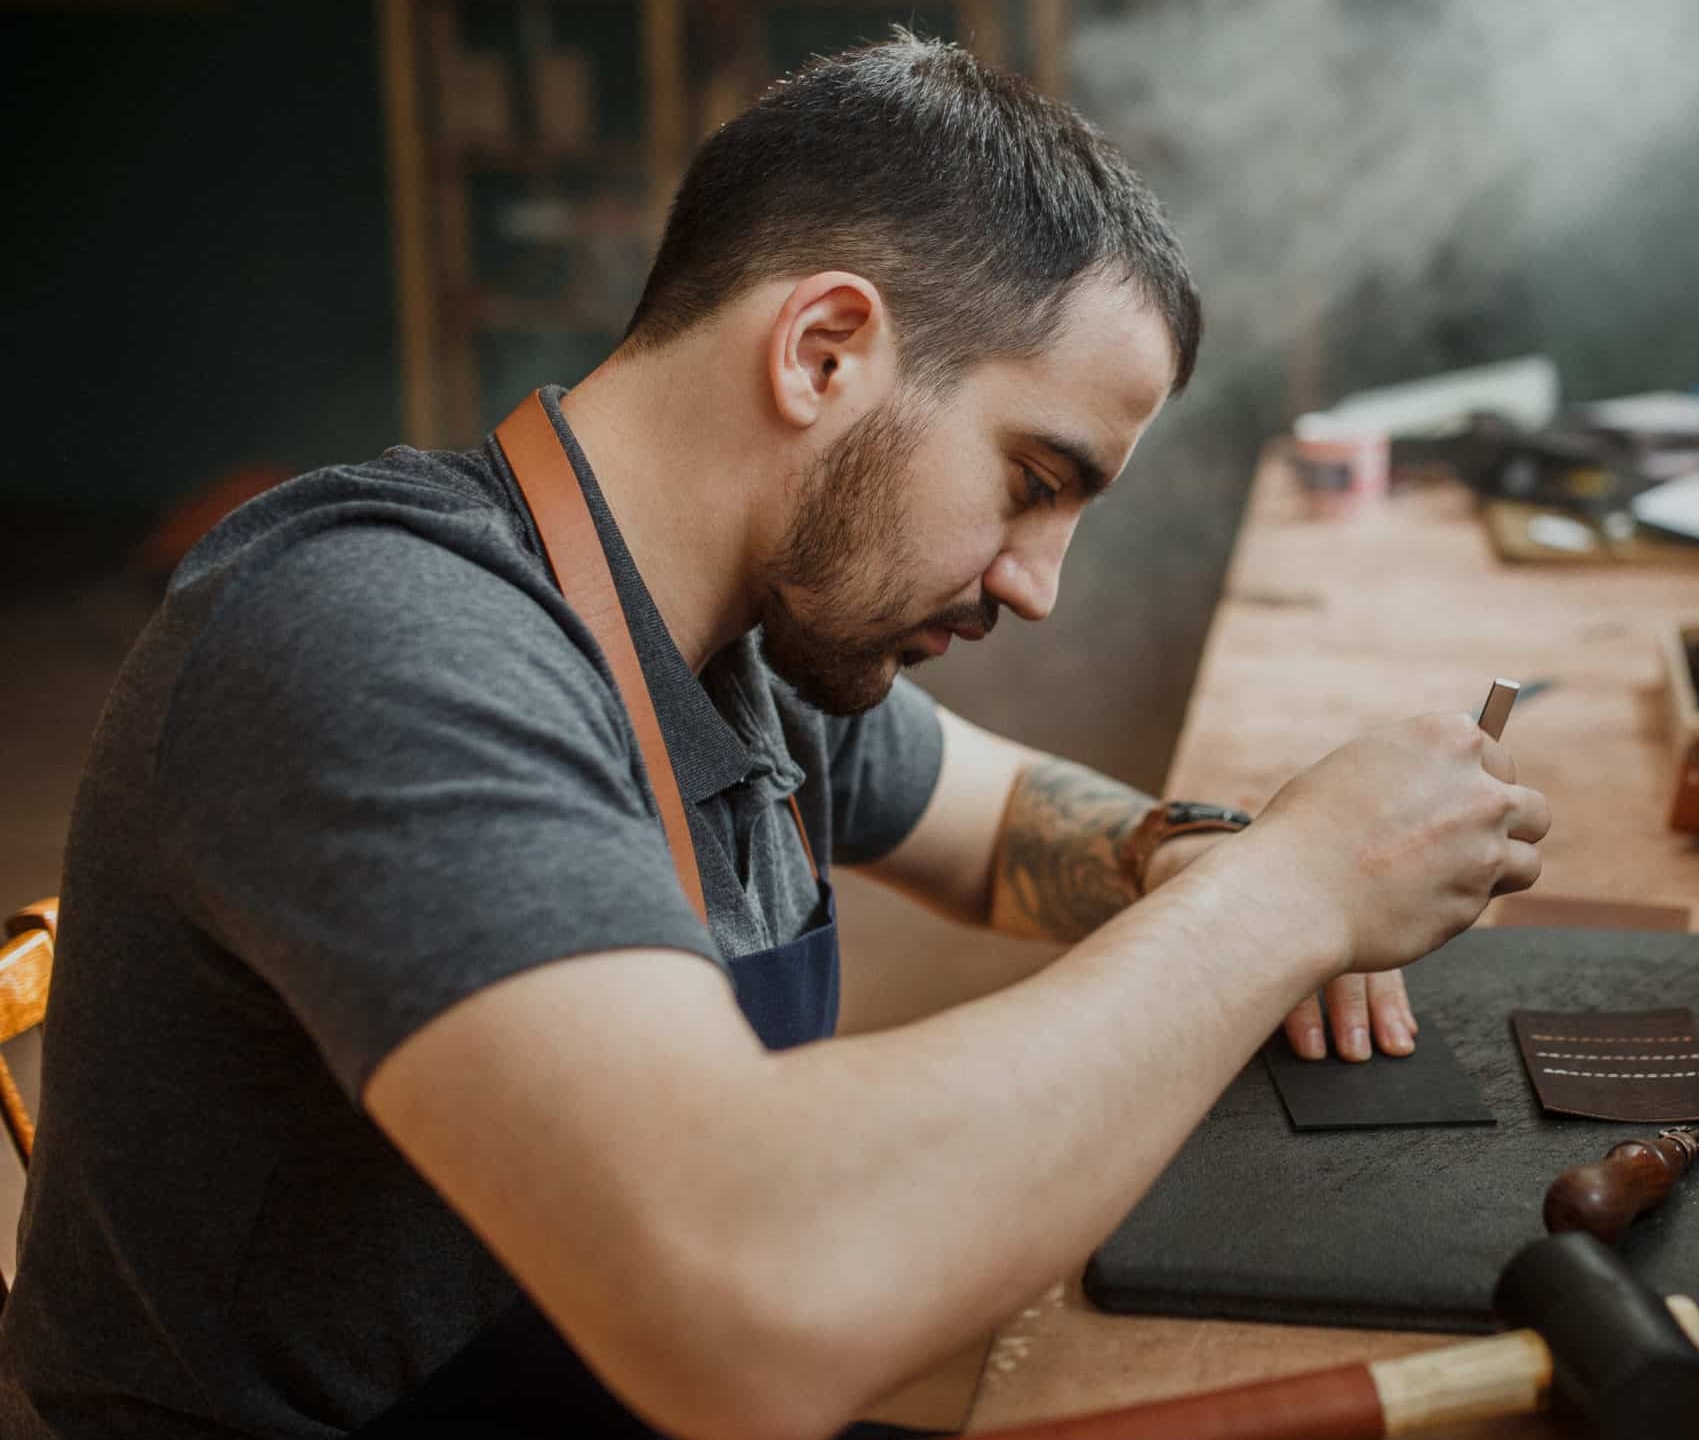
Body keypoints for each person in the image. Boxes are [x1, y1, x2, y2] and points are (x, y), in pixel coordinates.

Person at [0, 35, 1548, 1440]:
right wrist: (1282, 899)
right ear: (822, 351)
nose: (1041, 586)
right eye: (1032, 479)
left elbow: (1004, 824)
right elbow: (751, 1301)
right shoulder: (375, 643)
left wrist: (1211, 846)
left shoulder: (741, 640)